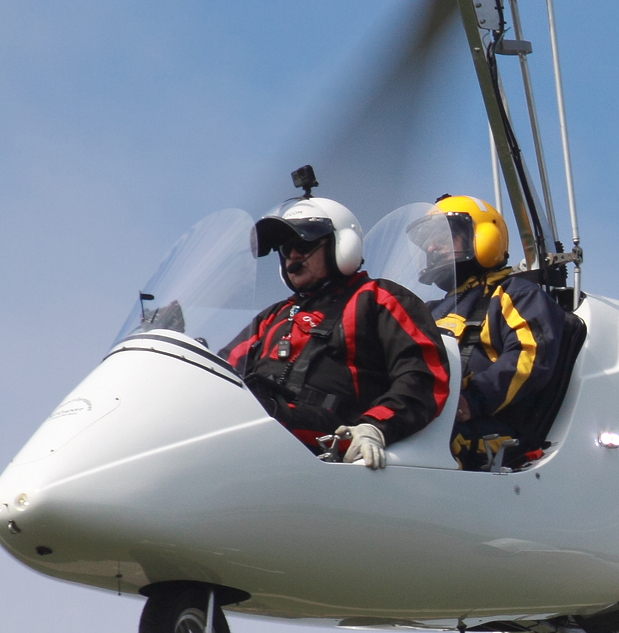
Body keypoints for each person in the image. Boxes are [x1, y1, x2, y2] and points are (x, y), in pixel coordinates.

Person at [223, 195, 450, 469]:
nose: (292, 256)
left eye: (303, 244)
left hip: (333, 434)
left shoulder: (379, 299)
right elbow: (220, 373)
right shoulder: (271, 316)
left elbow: (424, 377)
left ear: (339, 245)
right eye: (285, 248)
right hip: (257, 424)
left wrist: (375, 426)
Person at [412, 195, 566, 470]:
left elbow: (528, 357)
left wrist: (472, 400)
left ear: (484, 237)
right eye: (428, 243)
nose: (432, 247)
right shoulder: (428, 310)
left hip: (484, 432)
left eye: (444, 238)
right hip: (429, 418)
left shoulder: (515, 295)